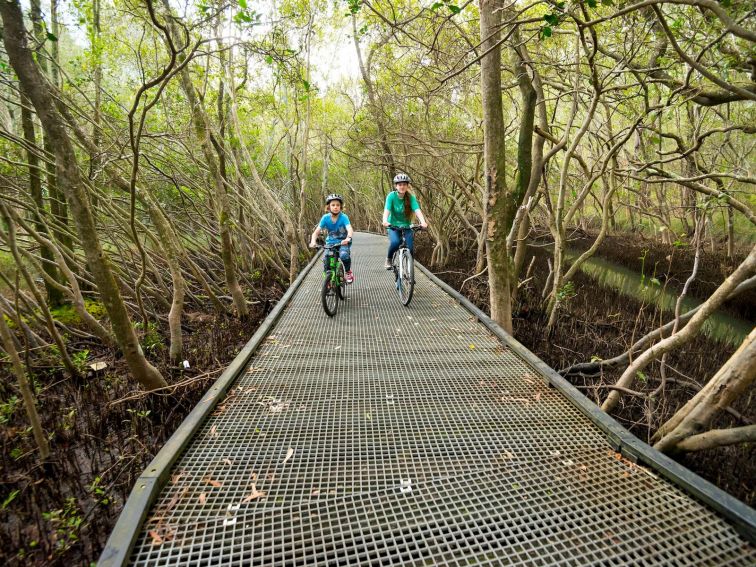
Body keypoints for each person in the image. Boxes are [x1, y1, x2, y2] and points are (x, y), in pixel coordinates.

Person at [382, 172, 428, 269]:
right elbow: (387, 210)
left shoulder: (410, 197)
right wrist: (385, 220)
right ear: (396, 186)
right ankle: (389, 259)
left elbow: (417, 210)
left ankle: (408, 271)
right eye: (400, 184)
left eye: (404, 184)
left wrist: (423, 222)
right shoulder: (391, 196)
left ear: (407, 186)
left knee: (410, 248)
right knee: (395, 243)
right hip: (393, 226)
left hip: (406, 226)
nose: (402, 187)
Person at [310, 193, 355, 284]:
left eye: (338, 205)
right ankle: (328, 278)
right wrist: (313, 241)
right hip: (330, 243)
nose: (335, 207)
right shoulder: (325, 218)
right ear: (328, 207)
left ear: (341, 207)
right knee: (326, 259)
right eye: (333, 205)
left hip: (343, 242)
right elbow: (316, 232)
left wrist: (348, 238)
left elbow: (349, 229)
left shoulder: (344, 217)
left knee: (343, 255)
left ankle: (348, 272)